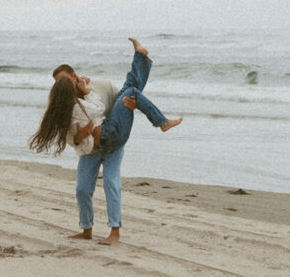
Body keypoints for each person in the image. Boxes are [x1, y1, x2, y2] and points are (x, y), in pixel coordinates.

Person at [30, 38, 182, 245]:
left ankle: (115, 232)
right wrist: (79, 136)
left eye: (65, 80)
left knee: (111, 182)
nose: (62, 84)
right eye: (58, 83)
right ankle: (87, 229)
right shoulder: (63, 107)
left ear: (74, 77)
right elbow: (69, 138)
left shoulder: (98, 86)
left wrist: (129, 106)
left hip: (113, 138)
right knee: (82, 189)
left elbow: (114, 104)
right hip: (90, 149)